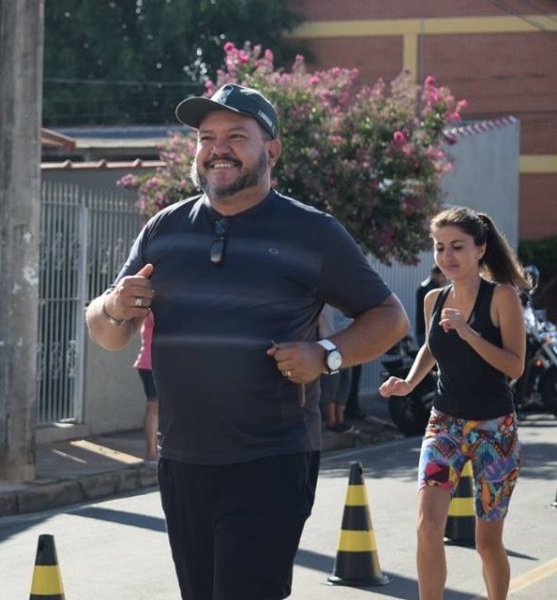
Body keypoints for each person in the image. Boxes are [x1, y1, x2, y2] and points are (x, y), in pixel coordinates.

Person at [85, 83, 408, 600]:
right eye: (206, 137)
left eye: (236, 136)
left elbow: (390, 317)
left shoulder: (312, 232)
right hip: (184, 459)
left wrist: (326, 355)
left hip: (271, 458)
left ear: (271, 150)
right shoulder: (164, 230)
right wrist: (114, 307)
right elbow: (106, 332)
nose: (218, 148)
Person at [379, 206, 527, 600]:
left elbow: (515, 366)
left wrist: (469, 332)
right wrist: (409, 382)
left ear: (480, 249)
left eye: (457, 247)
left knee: (487, 543)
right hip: (444, 425)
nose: (447, 256)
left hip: (495, 431)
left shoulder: (502, 297)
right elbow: (431, 346)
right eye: (440, 247)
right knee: (427, 526)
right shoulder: (434, 299)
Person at [318, 304, 355, 433]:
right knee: (332, 382)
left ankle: (341, 418)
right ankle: (331, 420)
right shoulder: (323, 300)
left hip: (347, 341)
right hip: (329, 342)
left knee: (345, 380)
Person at [133, 311, 158, 461]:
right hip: (150, 364)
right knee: (154, 406)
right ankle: (151, 453)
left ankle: (155, 450)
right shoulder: (151, 311)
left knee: (156, 408)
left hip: (157, 363)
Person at [416, 265, 447, 345]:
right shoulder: (428, 289)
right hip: (426, 330)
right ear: (435, 274)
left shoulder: (429, 287)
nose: (445, 279)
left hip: (427, 329)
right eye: (443, 275)